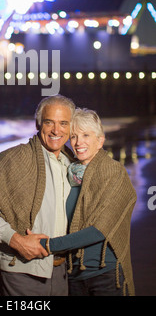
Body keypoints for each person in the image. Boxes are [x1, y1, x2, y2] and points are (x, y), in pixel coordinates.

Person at [0, 94, 76, 296]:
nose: (56, 130)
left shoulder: (72, 164)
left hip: (62, 272)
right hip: (21, 272)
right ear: (38, 124)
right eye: (49, 122)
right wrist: (16, 241)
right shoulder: (13, 159)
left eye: (64, 123)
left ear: (71, 127)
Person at [38, 108, 137, 296]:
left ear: (100, 141)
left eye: (86, 135)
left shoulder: (114, 174)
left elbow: (100, 229)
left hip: (106, 275)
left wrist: (48, 245)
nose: (78, 142)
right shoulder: (67, 173)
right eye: (74, 136)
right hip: (73, 275)